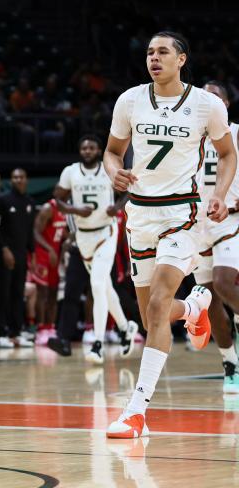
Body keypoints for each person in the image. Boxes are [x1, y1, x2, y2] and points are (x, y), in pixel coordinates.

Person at [104, 32, 235, 439]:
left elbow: (228, 153)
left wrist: (217, 195)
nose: (153, 58)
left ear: (181, 59)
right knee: (151, 317)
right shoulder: (129, 100)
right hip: (139, 214)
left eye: (162, 52)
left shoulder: (206, 105)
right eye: (149, 52)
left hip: (182, 212)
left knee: (159, 304)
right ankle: (194, 310)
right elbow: (112, 151)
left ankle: (136, 411)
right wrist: (114, 172)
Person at [47, 135, 137, 363]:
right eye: (84, 147)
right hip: (83, 236)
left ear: (98, 151)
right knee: (105, 288)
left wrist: (116, 207)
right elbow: (58, 199)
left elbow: (130, 190)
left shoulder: (108, 169)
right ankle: (126, 328)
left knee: (97, 285)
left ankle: (97, 345)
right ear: (80, 150)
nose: (87, 150)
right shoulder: (70, 172)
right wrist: (75, 210)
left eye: (92, 147)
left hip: (106, 232)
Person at [192, 81, 239, 392]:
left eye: (215, 96)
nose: (209, 100)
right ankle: (229, 362)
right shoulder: (190, 135)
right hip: (196, 226)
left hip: (228, 220)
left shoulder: (235, 132)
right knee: (208, 302)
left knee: (223, 283)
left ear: (226, 104)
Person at [0, 168, 36, 348]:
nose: (18, 180)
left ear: (26, 180)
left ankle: (16, 332)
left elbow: (29, 231)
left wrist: (31, 254)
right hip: (4, 255)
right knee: (2, 294)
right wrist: (4, 249)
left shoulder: (29, 202)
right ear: (11, 180)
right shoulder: (2, 200)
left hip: (21, 254)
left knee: (18, 294)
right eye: (15, 177)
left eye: (21, 177)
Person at [30, 198, 67, 346]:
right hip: (42, 254)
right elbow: (35, 232)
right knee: (42, 293)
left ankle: (50, 327)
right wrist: (50, 249)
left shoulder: (67, 210)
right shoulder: (48, 208)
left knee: (53, 292)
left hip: (55, 255)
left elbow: (61, 232)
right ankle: (40, 328)